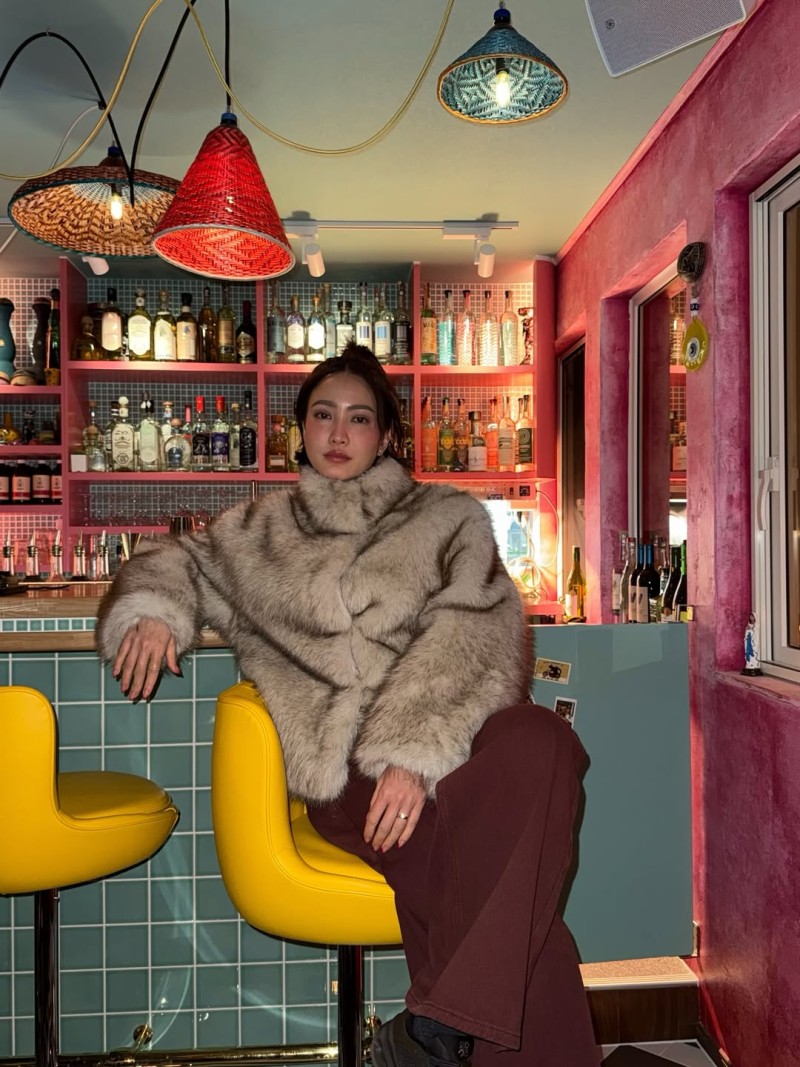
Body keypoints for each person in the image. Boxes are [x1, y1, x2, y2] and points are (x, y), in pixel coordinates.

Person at [96, 342, 599, 1067]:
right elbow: (174, 561)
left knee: (543, 738)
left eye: (359, 418)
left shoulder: (449, 520)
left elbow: (481, 633)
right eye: (323, 415)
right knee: (518, 915)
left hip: (450, 743)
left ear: (386, 434)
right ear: (300, 429)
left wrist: (414, 753)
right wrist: (152, 612)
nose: (338, 433)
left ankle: (439, 1027)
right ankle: (438, 1030)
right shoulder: (259, 534)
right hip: (347, 771)